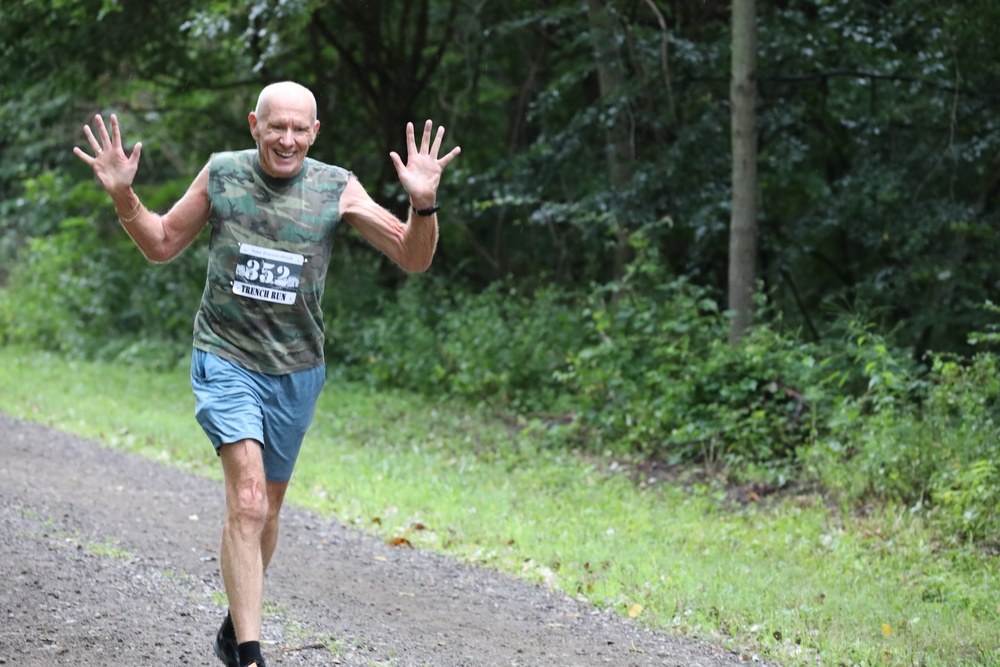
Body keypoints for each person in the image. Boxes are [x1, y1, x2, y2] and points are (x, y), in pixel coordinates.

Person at [73, 81, 461, 667]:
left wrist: (423, 203)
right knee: (249, 502)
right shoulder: (224, 174)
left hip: (296, 370)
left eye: (298, 129)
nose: (286, 139)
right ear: (254, 123)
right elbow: (161, 243)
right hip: (226, 357)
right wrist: (125, 198)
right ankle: (251, 656)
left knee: (268, 510)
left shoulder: (336, 186)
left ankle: (236, 623)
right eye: (275, 126)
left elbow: (414, 255)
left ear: (314, 132)